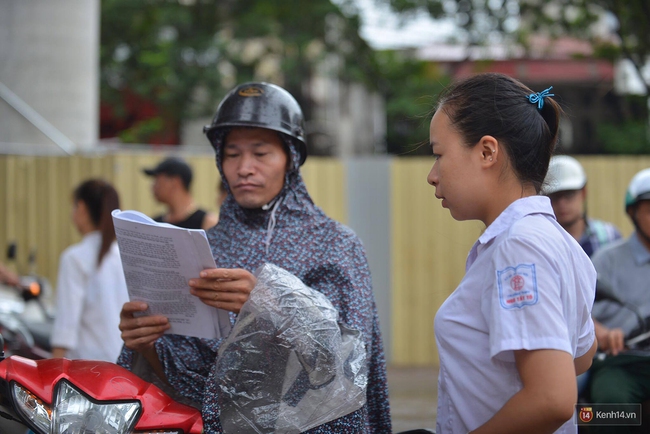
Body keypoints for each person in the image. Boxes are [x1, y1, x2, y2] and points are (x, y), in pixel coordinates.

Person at [118, 82, 391, 433]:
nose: (244, 167)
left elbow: (349, 363)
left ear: (290, 157)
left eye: (261, 153)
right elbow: (191, 378)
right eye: (232, 154)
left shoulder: (336, 245)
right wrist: (147, 344)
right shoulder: (203, 248)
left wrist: (271, 302)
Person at [428, 73, 597, 433]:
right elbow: (580, 356)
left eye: (439, 154)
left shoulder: (520, 246)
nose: (432, 175)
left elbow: (552, 399)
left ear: (487, 151)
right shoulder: (558, 240)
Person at [587, 168, 650, 433]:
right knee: (608, 410)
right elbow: (572, 311)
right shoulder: (606, 259)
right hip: (619, 362)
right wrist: (600, 332)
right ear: (633, 212)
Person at [50, 179, 130, 362]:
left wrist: (52, 370)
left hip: (87, 370)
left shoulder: (74, 258)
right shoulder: (124, 256)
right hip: (124, 365)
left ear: (82, 208)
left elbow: (66, 325)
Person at [543, 155, 621, 257]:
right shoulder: (543, 242)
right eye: (554, 196)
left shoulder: (609, 236)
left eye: (569, 194)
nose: (562, 203)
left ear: (583, 192)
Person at [143, 156, 218, 230]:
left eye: (157, 180)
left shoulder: (207, 223)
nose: (153, 186)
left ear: (174, 182)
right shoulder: (155, 224)